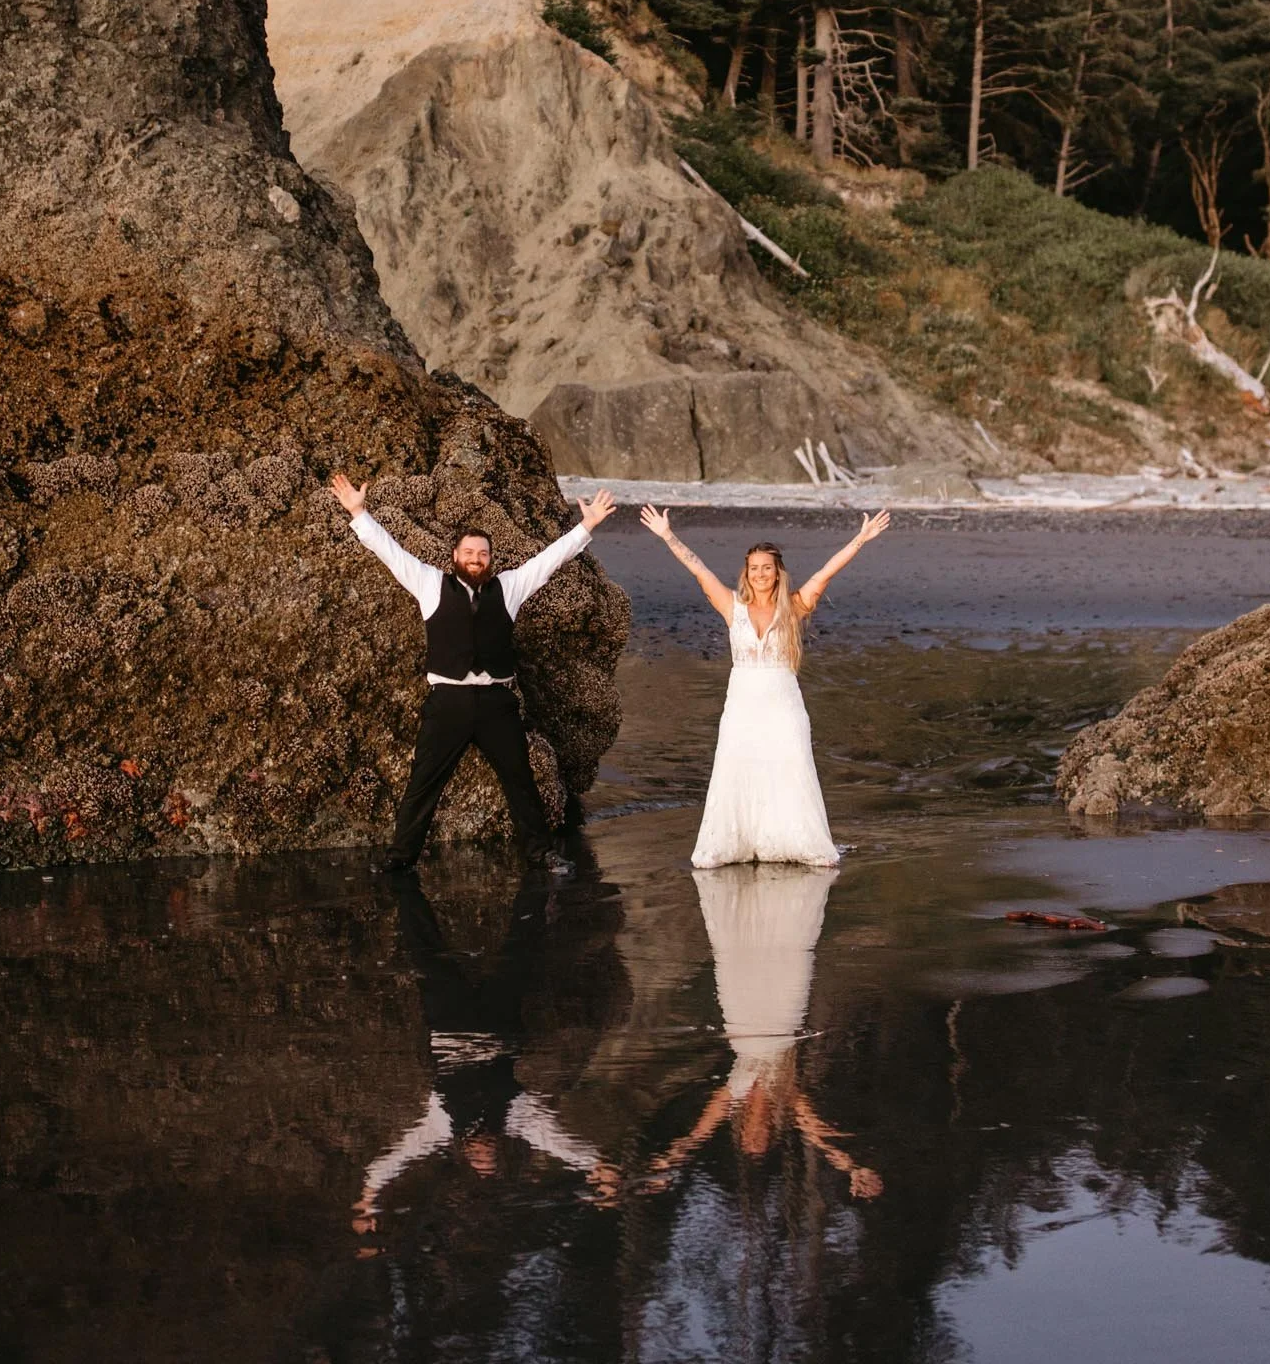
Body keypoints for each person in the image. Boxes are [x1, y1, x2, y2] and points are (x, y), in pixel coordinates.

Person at [330, 473, 616, 874]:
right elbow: (390, 552)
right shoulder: (429, 583)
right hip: (447, 703)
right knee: (423, 784)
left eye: (482, 554)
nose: (476, 559)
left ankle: (541, 854)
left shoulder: (510, 587)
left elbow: (549, 561)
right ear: (455, 556)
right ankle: (400, 859)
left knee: (521, 782)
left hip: (497, 703)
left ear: (490, 559)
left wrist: (586, 526)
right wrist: (359, 513)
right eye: (469, 553)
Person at [352, 869, 621, 1233]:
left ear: (466, 1153)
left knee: (426, 955)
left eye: (480, 1157)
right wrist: (595, 1165)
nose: (486, 1150)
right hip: (496, 1019)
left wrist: (369, 1195)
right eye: (491, 1156)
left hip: (451, 1020)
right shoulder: (517, 1119)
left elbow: (401, 1153)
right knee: (520, 951)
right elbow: (557, 1141)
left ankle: (404, 885)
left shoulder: (442, 1123)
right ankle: (534, 879)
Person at [639, 506, 890, 867]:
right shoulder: (732, 607)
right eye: (754, 568)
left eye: (766, 568)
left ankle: (793, 843)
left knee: (790, 765)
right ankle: (736, 845)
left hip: (783, 704)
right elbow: (698, 569)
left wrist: (860, 539)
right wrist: (667, 535)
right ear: (747, 572)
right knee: (737, 767)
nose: (760, 574)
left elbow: (826, 572)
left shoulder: (794, 606)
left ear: (777, 573)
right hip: (741, 705)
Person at [641, 863, 882, 1197]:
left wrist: (668, 1162)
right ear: (770, 1134)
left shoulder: (733, 1095)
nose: (757, 1137)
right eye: (761, 1142)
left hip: (742, 1014)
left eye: (750, 1141)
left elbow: (697, 1133)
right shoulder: (785, 1095)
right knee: (789, 955)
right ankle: (787, 899)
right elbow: (818, 1133)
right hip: (783, 1019)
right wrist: (851, 1167)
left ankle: (747, 897)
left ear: (741, 1135)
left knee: (741, 951)